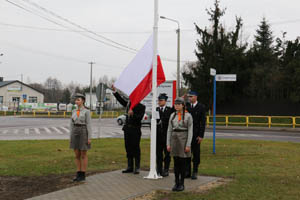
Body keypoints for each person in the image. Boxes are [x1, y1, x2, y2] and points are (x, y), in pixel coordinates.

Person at [112, 85, 146, 174]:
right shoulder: (128, 104)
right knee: (128, 148)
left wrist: (132, 114)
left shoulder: (141, 106)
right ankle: (130, 166)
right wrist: (115, 91)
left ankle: (137, 167)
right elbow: (121, 100)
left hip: (135, 130)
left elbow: (139, 118)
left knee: (136, 148)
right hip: (127, 130)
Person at [167, 97, 193, 192]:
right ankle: (176, 182)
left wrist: (188, 145)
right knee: (176, 162)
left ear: (183, 105)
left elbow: (190, 131)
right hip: (174, 139)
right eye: (175, 104)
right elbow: (169, 130)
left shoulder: (188, 116)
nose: (177, 106)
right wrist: (168, 144)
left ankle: (182, 183)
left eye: (179, 104)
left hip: (183, 139)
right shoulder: (172, 115)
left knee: (182, 163)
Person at [70, 93, 92, 182]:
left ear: (83, 101)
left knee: (83, 154)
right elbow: (71, 124)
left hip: (83, 131)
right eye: (76, 100)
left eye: (78, 100)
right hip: (75, 131)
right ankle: (78, 173)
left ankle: (83, 174)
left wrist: (89, 137)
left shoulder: (86, 111)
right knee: (76, 155)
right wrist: (70, 136)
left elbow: (89, 124)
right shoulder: (74, 111)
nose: (76, 101)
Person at [185, 91, 206, 180]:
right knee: (187, 153)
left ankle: (195, 171)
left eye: (191, 96)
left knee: (196, 154)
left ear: (196, 97)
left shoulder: (201, 107)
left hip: (196, 134)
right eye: (189, 97)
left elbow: (203, 122)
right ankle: (187, 171)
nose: (190, 98)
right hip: (187, 134)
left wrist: (201, 135)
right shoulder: (187, 106)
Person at [156, 93, 174, 177]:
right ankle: (159, 169)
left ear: (165, 101)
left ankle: (166, 169)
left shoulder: (169, 110)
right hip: (158, 136)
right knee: (158, 154)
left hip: (167, 136)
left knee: (167, 154)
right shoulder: (155, 109)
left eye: (161, 100)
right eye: (159, 100)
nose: (159, 102)